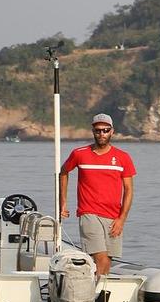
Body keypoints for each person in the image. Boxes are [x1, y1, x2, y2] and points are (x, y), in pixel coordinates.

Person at [58, 113, 136, 277]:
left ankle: (95, 291)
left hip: (113, 216)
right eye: (98, 130)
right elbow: (63, 172)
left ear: (112, 131)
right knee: (101, 258)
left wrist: (121, 219)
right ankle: (96, 297)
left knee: (108, 259)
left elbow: (129, 190)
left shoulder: (123, 158)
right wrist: (63, 203)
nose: (102, 134)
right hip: (89, 213)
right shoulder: (79, 153)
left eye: (105, 130)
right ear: (93, 131)